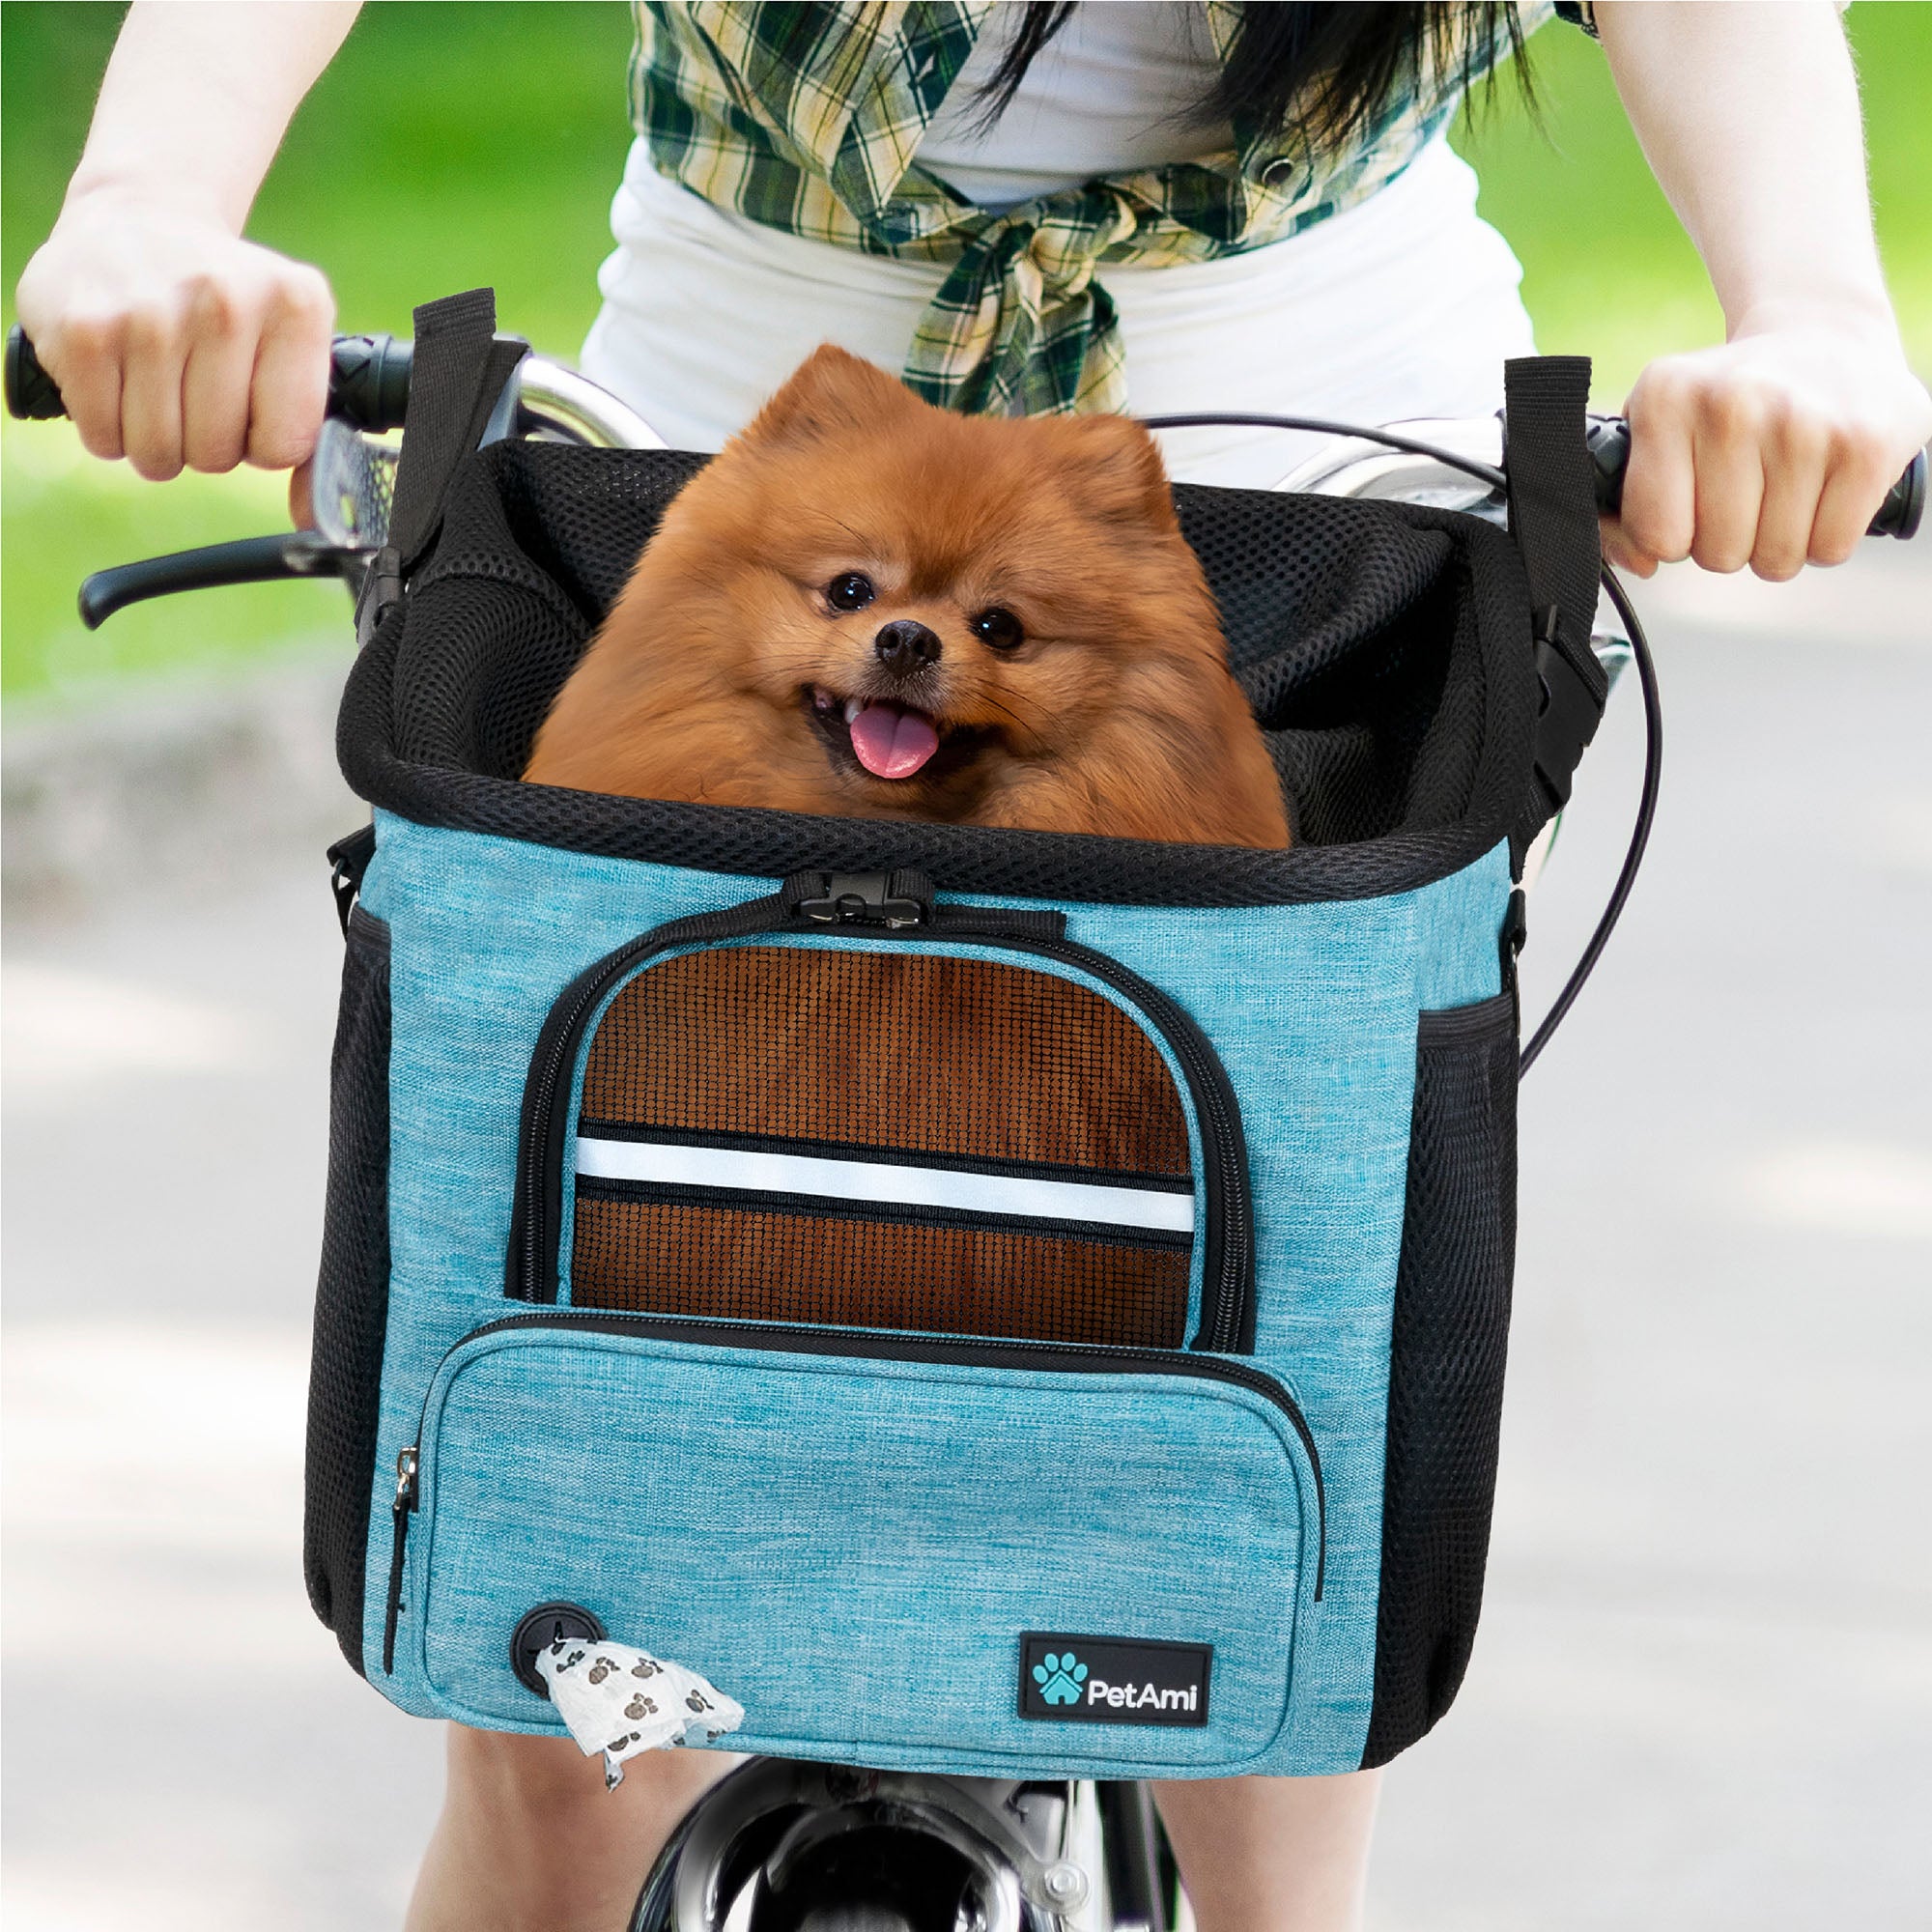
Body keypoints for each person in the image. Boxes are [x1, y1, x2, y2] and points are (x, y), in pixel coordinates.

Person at [14, 6, 1926, 1928]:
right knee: (566, 1754)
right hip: (704, 518)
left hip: (1322, 590)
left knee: (1259, 1716)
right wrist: (150, 205)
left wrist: (1816, 318)